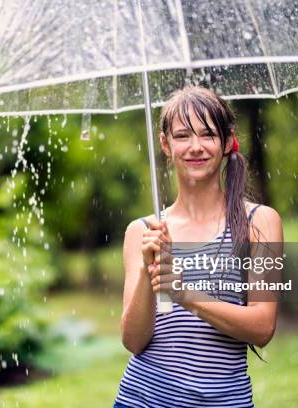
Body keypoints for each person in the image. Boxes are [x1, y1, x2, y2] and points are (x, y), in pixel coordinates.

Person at [114, 85, 282, 408]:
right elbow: (133, 341)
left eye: (207, 134)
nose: (195, 147)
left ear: (228, 141)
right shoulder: (143, 232)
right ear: (165, 144)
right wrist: (146, 270)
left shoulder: (259, 222)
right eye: (181, 136)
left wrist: (186, 294)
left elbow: (262, 326)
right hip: (143, 399)